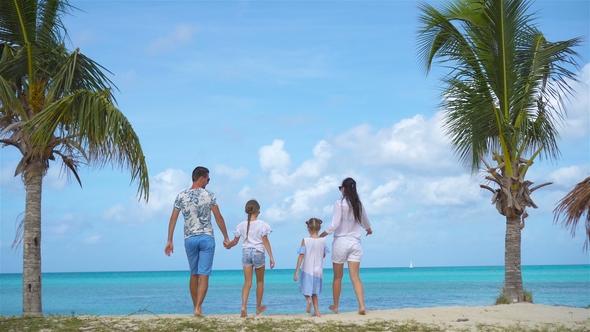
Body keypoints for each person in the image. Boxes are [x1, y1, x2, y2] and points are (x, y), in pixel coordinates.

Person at [164, 166, 230, 317]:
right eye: (208, 179)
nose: (208, 182)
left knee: (194, 274)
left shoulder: (181, 196)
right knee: (204, 275)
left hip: (189, 239)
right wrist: (226, 237)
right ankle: (198, 308)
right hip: (206, 237)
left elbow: (173, 219)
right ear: (201, 178)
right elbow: (219, 217)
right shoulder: (209, 195)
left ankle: (196, 308)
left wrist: (169, 240)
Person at [320, 177, 373, 315]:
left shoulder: (339, 203)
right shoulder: (358, 204)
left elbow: (335, 223)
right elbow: (364, 220)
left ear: (343, 189)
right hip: (355, 243)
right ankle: (361, 305)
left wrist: (323, 234)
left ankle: (336, 306)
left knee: (338, 277)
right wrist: (368, 229)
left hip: (341, 242)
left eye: (340, 188)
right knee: (355, 277)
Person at [226, 199, 275, 317]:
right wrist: (271, 257)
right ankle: (258, 308)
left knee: (247, 283)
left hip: (246, 253)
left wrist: (229, 246)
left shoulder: (241, 225)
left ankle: (243, 306)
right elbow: (265, 241)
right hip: (258, 252)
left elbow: (235, 241)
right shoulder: (262, 224)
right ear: (257, 210)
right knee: (260, 282)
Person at [293, 218, 329, 317]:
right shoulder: (323, 240)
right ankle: (317, 312)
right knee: (314, 292)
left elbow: (301, 256)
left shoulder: (305, 240)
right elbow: (323, 255)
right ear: (319, 228)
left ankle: (308, 301)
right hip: (318, 271)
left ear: (308, 228)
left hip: (307, 270)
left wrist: (296, 272)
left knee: (303, 288)